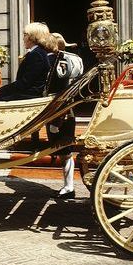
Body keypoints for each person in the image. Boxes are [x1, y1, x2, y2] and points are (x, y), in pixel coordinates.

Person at [0, 22, 54, 102]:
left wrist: (0, 91)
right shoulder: (38, 52)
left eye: (25, 35)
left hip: (28, 95)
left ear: (33, 37)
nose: (23, 38)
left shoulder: (37, 54)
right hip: (26, 93)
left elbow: (25, 83)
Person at [46, 33, 83, 199]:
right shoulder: (69, 60)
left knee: (65, 152)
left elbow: (63, 93)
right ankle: (68, 186)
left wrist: (58, 120)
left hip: (62, 112)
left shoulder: (59, 62)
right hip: (59, 111)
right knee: (63, 152)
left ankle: (69, 187)